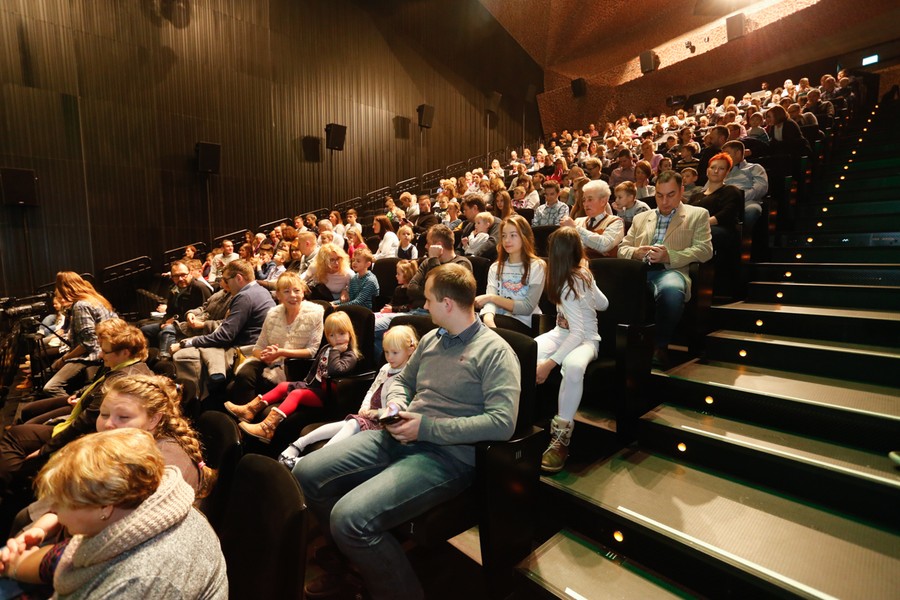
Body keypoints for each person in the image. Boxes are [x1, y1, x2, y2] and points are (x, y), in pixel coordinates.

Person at [295, 263, 520, 599]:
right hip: (399, 433)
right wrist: (396, 407)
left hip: (444, 456)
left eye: (428, 299)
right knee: (306, 472)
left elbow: (502, 422)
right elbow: (402, 381)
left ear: (447, 304)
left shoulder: (496, 352)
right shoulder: (432, 339)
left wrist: (425, 428)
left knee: (349, 519)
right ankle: (355, 562)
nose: (424, 306)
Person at [6, 429, 227, 598]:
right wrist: (14, 565)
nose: (54, 511)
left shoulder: (138, 581)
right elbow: (69, 557)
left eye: (61, 503)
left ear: (104, 507)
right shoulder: (142, 508)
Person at [0, 320, 152, 503]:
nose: (101, 354)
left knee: (15, 436)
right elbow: (95, 389)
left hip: (90, 437)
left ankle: (16, 492)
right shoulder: (126, 367)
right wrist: (80, 395)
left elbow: (85, 422)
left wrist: (44, 451)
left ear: (125, 352)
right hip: (83, 418)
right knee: (26, 419)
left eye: (105, 351)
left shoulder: (122, 381)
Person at [278, 325, 419, 470]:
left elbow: (400, 408)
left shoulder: (409, 377)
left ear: (410, 350)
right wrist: (365, 407)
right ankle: (297, 445)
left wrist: (377, 413)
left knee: (352, 424)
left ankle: (307, 460)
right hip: (368, 416)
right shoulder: (385, 368)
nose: (389, 357)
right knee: (344, 423)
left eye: (395, 352)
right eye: (386, 352)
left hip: (382, 425)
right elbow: (372, 390)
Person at [618, 171, 713, 367]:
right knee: (609, 286)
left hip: (671, 270)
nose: (664, 201)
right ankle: (616, 345)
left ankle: (659, 347)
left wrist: (669, 256)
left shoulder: (698, 214)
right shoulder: (641, 218)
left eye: (671, 195)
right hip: (639, 270)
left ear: (681, 191)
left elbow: (705, 250)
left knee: (671, 290)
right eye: (659, 195)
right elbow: (622, 249)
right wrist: (636, 252)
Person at [536, 228, 609, 472]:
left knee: (574, 366)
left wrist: (549, 364)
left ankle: (561, 437)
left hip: (587, 339)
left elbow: (581, 330)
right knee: (526, 352)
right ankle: (525, 416)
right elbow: (603, 304)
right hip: (561, 333)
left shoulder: (576, 279)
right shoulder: (573, 276)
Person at [227, 312, 360, 442]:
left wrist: (336, 351)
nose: (337, 339)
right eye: (332, 335)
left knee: (296, 394)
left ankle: (267, 428)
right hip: (312, 386)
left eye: (341, 333)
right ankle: (249, 410)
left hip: (326, 395)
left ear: (350, 333)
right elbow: (315, 369)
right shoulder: (327, 348)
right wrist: (305, 382)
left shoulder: (350, 356)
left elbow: (335, 370)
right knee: (282, 386)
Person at [171, 259, 275, 392]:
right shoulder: (259, 290)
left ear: (238, 278)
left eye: (226, 280)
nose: (224, 283)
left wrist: (185, 343)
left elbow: (224, 337)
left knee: (181, 355)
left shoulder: (244, 296)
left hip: (245, 348)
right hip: (246, 342)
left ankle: (196, 398)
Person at [224, 272, 324, 408]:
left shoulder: (315, 313)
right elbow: (258, 347)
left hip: (293, 367)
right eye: (286, 291)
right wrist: (264, 356)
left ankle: (249, 413)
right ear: (278, 295)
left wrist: (281, 352)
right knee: (244, 375)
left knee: (254, 384)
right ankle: (245, 414)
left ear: (303, 293)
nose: (293, 295)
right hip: (270, 362)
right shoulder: (272, 313)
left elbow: (312, 351)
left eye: (297, 291)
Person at [42, 273, 116, 397]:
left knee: (50, 388)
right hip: (104, 350)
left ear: (66, 289)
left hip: (93, 356)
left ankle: (79, 407)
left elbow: (89, 343)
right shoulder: (97, 299)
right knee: (51, 369)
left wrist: (64, 359)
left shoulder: (81, 305)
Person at [476, 215, 545, 335]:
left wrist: (492, 298)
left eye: (513, 235)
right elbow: (490, 303)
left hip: (524, 323)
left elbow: (527, 307)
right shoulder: (495, 267)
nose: (507, 240)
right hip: (498, 320)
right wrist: (488, 320)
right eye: (504, 236)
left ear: (524, 237)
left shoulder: (537, 266)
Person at [141, 261, 211, 360]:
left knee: (167, 330)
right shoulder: (173, 288)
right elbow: (169, 311)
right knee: (144, 330)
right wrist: (164, 322)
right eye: (176, 276)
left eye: (183, 275)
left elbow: (205, 313)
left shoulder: (199, 288)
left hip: (190, 326)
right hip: (174, 323)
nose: (180, 279)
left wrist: (174, 321)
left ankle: (165, 361)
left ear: (190, 273)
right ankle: (147, 358)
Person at [688, 152, 743, 259]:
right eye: (713, 167)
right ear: (707, 170)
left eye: (721, 168)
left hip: (720, 230)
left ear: (727, 172)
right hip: (696, 228)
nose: (716, 171)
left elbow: (726, 214)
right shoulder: (696, 196)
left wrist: (700, 225)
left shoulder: (731, 191)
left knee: (704, 233)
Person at [560, 180, 624, 258]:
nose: (585, 204)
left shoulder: (616, 222)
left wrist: (576, 228)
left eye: (590, 199)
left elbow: (605, 245)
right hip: (580, 264)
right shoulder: (578, 221)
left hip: (603, 265)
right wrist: (595, 246)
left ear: (603, 201)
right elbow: (567, 248)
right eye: (584, 200)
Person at [722, 140, 769, 231]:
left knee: (752, 210)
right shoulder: (721, 169)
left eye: (727, 153)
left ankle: (741, 235)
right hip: (723, 201)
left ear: (738, 153)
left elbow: (760, 188)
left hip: (746, 201)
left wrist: (739, 198)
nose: (724, 157)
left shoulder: (754, 167)